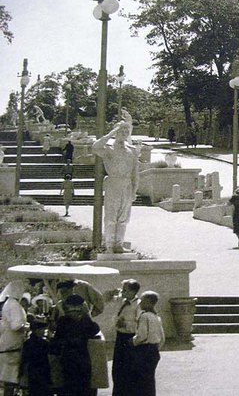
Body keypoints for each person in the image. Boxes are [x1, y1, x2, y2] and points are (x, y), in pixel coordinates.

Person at [91, 119, 140, 253]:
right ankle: (109, 246)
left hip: (127, 185)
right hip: (113, 183)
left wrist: (134, 190)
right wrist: (110, 133)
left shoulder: (132, 150)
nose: (124, 133)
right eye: (121, 130)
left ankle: (119, 244)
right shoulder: (108, 148)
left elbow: (135, 173)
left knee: (124, 218)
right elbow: (95, 147)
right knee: (111, 217)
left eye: (126, 130)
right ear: (116, 132)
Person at [50, 294, 101, 396]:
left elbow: (56, 340)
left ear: (68, 306)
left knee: (69, 387)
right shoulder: (86, 320)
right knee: (83, 387)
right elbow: (95, 329)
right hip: (83, 357)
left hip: (68, 358)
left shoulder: (63, 321)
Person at [104, 279, 141, 396]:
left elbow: (140, 324)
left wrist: (126, 325)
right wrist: (110, 293)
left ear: (133, 292)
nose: (122, 292)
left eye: (125, 290)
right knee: (117, 369)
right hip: (120, 337)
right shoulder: (122, 301)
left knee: (128, 369)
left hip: (130, 337)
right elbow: (105, 300)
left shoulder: (138, 305)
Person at [130, 291, 165, 396]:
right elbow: (162, 337)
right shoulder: (156, 317)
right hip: (153, 350)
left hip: (144, 350)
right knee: (149, 380)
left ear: (149, 303)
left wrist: (133, 342)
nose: (140, 303)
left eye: (143, 301)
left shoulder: (144, 316)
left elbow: (142, 335)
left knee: (141, 380)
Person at [0, 280, 28, 396]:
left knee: (8, 376)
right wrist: (27, 328)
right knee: (10, 376)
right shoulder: (14, 305)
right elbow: (16, 326)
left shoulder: (9, 303)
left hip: (8, 341)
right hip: (12, 343)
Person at [20, 317, 52, 396]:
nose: (43, 332)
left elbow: (24, 360)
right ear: (37, 330)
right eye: (42, 330)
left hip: (32, 373)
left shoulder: (27, 343)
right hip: (43, 372)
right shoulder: (44, 343)